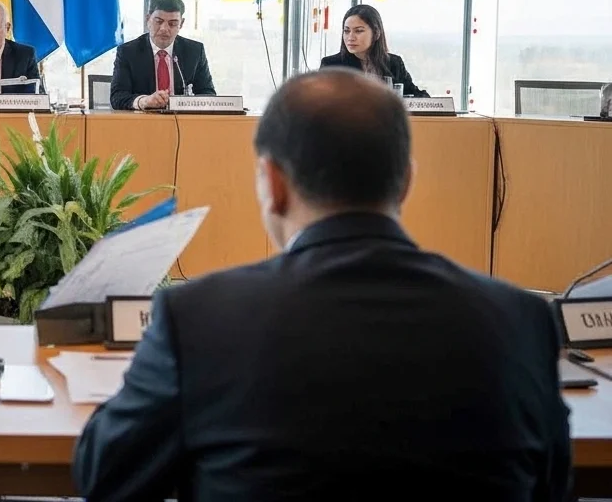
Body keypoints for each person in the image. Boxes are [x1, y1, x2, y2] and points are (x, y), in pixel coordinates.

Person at [74, 69, 569, 502]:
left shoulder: (197, 319)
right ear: (405, 183)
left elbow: (107, 477)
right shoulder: (523, 322)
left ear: (275, 182)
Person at [110, 0, 215, 110]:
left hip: (182, 123)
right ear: (148, 19)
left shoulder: (194, 51)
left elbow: (208, 94)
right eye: (159, 22)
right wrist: (144, 101)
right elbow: (117, 97)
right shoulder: (128, 52)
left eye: (172, 24)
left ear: (181, 24)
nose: (164, 29)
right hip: (142, 122)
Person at [321, 3, 428, 97]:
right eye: (346, 31)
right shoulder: (331, 65)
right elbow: (318, 103)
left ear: (376, 33)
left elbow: (415, 96)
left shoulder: (394, 63)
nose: (350, 37)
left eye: (358, 31)